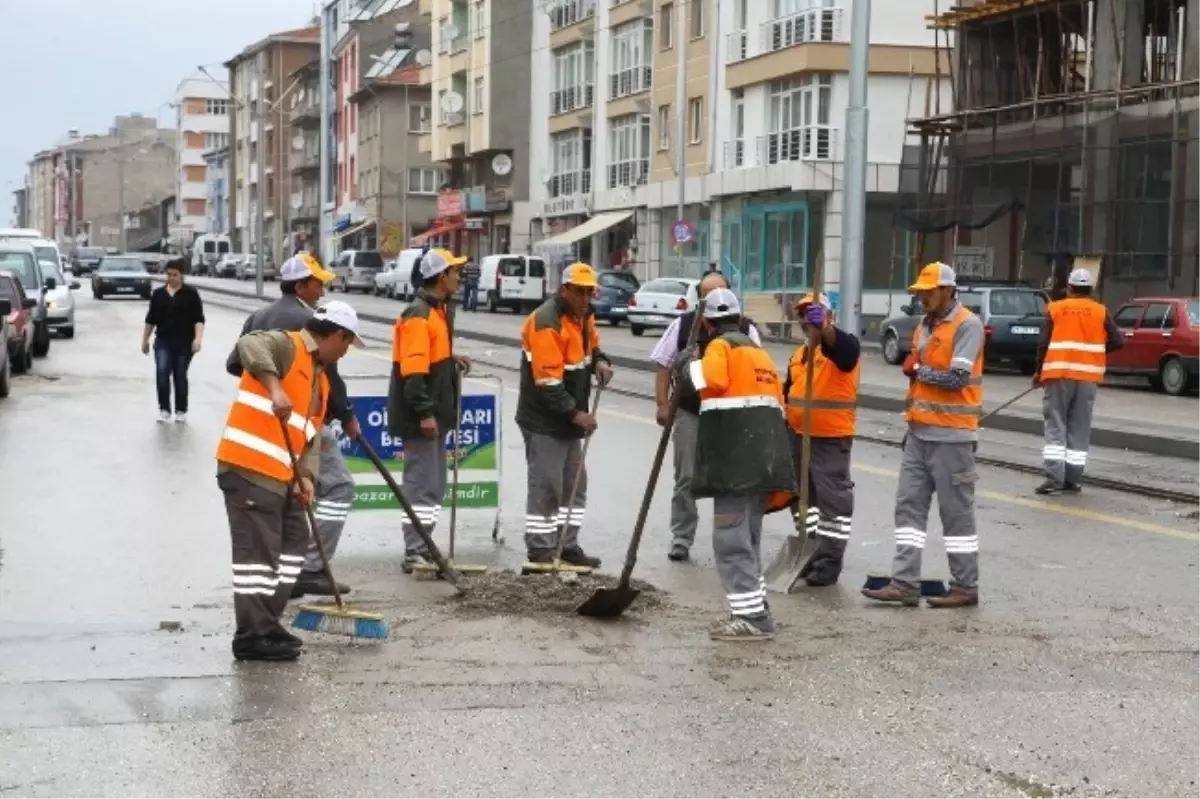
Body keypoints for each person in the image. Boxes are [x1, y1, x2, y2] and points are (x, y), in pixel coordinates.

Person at [216, 301, 364, 662]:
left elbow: (308, 436)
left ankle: (267, 623)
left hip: (283, 475)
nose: (346, 351)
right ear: (337, 335)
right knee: (258, 557)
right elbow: (248, 346)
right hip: (249, 468)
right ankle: (252, 636)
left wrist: (307, 477)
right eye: (347, 344)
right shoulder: (287, 344)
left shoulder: (320, 376)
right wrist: (274, 388)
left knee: (293, 545)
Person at [226, 252, 360, 598]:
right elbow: (327, 375)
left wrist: (264, 386)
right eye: (318, 284)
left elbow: (234, 364)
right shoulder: (308, 322)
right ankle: (311, 568)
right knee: (338, 486)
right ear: (300, 284)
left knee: (288, 506)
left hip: (271, 430)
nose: (322, 291)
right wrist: (344, 414)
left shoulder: (260, 314)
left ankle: (286, 581)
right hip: (297, 424)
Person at [863, 262, 985, 609]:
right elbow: (923, 374)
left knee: (956, 514)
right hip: (919, 433)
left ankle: (965, 586)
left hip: (953, 437)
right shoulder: (924, 326)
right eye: (920, 293)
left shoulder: (967, 324)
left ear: (948, 290)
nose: (923, 298)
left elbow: (956, 379)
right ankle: (904, 582)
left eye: (929, 292)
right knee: (908, 509)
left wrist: (917, 368)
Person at [678, 288, 794, 641]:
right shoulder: (757, 353)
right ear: (739, 318)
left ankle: (751, 619)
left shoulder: (719, 347)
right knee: (748, 539)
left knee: (730, 540)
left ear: (709, 323)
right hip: (763, 460)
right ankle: (755, 608)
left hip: (736, 460)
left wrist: (688, 366)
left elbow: (711, 380)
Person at [649, 270, 762, 562]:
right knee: (686, 476)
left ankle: (733, 540)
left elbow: (757, 370)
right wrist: (663, 404)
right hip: (691, 411)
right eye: (711, 295)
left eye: (723, 292)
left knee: (731, 480)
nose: (718, 300)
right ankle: (682, 537)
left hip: (731, 418)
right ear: (700, 300)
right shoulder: (684, 326)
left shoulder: (747, 330)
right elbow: (663, 364)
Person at [517, 262, 613, 568]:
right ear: (565, 290)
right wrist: (576, 414)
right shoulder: (547, 322)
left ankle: (567, 545)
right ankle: (541, 550)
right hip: (545, 421)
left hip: (568, 421)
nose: (586, 298)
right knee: (547, 486)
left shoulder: (583, 317)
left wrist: (600, 361)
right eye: (581, 292)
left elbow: (593, 347)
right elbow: (547, 383)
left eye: (590, 292)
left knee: (574, 486)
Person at [388, 248, 470, 572]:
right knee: (421, 484)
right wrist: (425, 413)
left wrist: (451, 360)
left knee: (433, 486)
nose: (459, 276)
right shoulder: (420, 315)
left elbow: (430, 359)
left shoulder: (437, 312)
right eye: (454, 271)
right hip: (422, 418)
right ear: (440, 277)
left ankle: (423, 544)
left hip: (434, 414)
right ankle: (415, 550)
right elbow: (413, 373)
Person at [782, 293, 861, 587]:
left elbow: (845, 352)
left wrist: (825, 328)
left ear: (829, 315)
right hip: (797, 437)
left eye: (812, 313)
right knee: (803, 501)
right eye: (803, 315)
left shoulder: (840, 347)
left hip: (829, 439)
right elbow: (788, 392)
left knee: (834, 505)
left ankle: (829, 562)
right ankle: (810, 549)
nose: (806, 320)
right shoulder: (800, 355)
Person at [1032, 267, 1123, 495]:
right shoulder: (1100, 311)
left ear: (1070, 288)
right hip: (1087, 378)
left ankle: (1054, 477)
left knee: (1056, 424)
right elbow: (1118, 341)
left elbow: (1043, 344)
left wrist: (1037, 372)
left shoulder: (1056, 309)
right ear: (1090, 289)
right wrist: (1095, 351)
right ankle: (1072, 480)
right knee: (1079, 427)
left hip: (1059, 375)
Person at [142, 258, 205, 423]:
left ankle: (180, 410)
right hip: (163, 341)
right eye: (169, 275)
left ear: (182, 275)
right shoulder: (158, 294)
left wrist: (198, 339)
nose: (171, 278)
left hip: (184, 342)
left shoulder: (191, 294)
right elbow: (150, 319)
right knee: (162, 372)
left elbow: (198, 319)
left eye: (175, 275)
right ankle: (164, 409)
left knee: (180, 374)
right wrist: (145, 340)